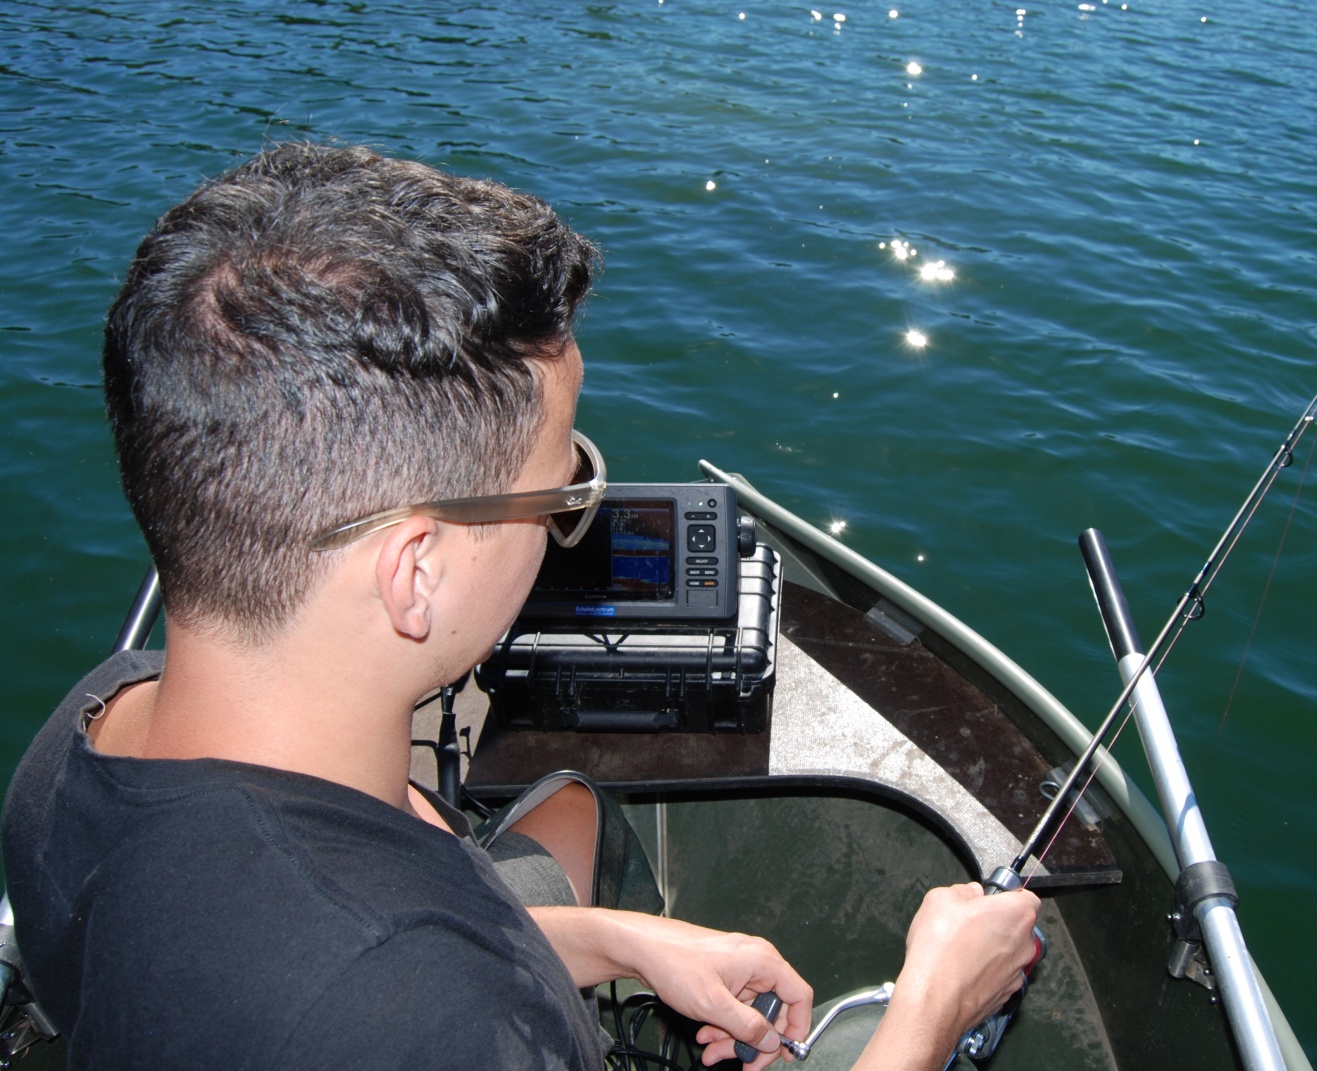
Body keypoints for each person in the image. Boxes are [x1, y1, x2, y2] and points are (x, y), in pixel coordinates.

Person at [0, 143, 1040, 1070]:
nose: (567, 522)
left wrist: (619, 942)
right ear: (415, 570)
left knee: (567, 811)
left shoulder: (89, 730)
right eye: (557, 495)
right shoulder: (434, 1019)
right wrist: (928, 1017)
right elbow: (392, 983)